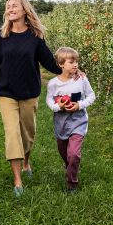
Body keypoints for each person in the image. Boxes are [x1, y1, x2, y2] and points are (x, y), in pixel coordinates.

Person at [0, 0, 61, 196]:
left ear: (25, 10)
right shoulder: (1, 36)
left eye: (14, 5)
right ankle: (17, 181)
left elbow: (50, 63)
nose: (10, 8)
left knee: (28, 134)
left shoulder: (35, 36)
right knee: (12, 133)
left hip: (29, 92)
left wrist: (72, 70)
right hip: (6, 92)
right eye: (8, 6)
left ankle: (26, 162)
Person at [46, 46, 96, 193]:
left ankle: (72, 182)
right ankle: (70, 166)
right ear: (61, 64)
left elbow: (91, 96)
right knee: (65, 154)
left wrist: (79, 105)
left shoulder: (81, 79)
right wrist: (58, 106)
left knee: (73, 154)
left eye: (76, 62)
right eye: (71, 62)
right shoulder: (53, 84)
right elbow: (49, 101)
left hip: (78, 123)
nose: (75, 65)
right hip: (61, 125)